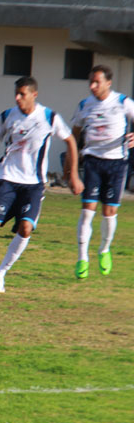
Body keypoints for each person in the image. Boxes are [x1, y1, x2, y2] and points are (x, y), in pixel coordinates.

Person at [0, 76, 83, 293]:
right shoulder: (7, 116)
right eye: (16, 93)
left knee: (26, 228)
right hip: (7, 179)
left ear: (34, 95)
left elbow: (70, 140)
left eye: (22, 94)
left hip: (34, 184)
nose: (17, 98)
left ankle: (0, 273)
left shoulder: (49, 117)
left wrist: (72, 174)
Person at [70, 65, 134, 279]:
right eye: (90, 81)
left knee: (109, 213)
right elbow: (74, 133)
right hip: (92, 162)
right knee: (87, 210)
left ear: (108, 83)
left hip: (117, 163)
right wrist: (70, 165)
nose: (92, 86)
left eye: (97, 82)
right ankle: (82, 258)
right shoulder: (84, 105)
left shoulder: (122, 102)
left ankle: (104, 250)